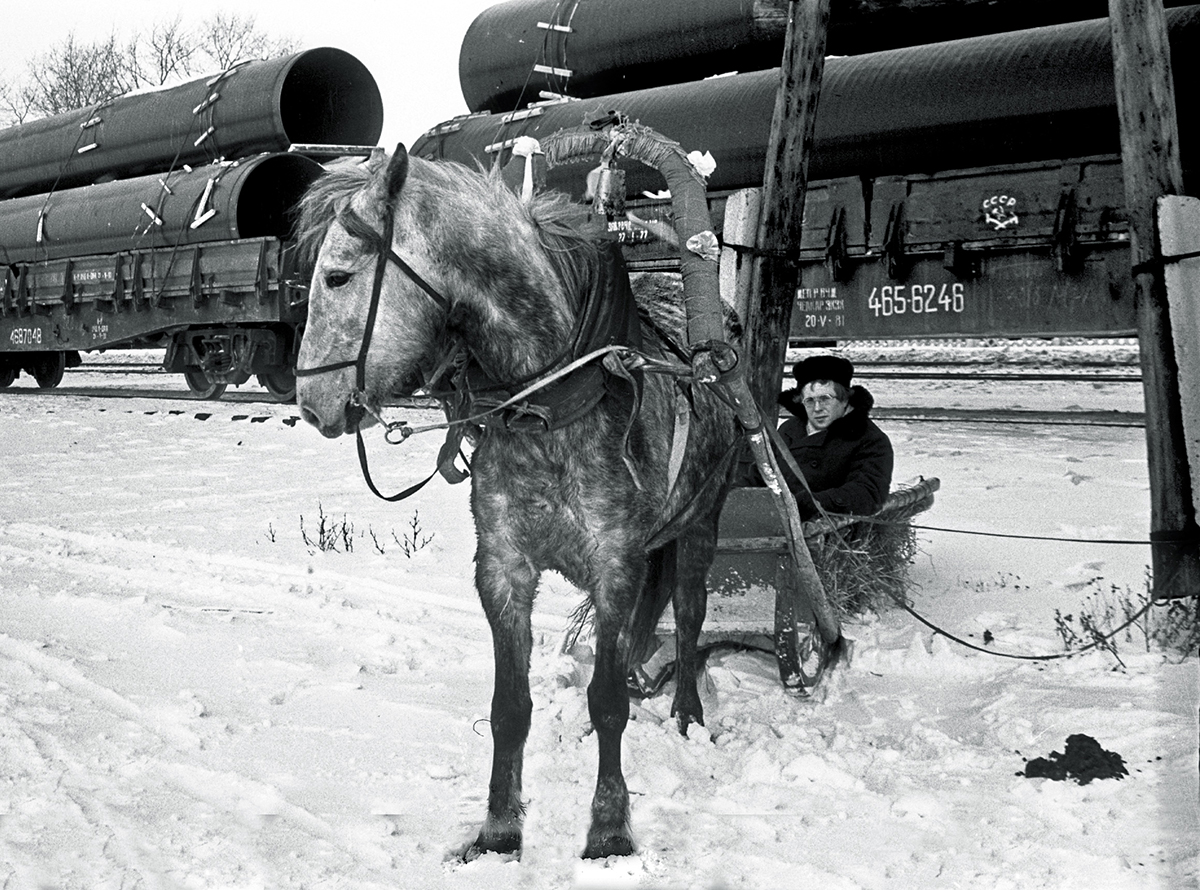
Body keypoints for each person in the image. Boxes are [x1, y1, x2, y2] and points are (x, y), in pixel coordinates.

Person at [771, 354, 894, 520]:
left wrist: (815, 502)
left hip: (824, 530)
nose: (817, 408)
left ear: (844, 400)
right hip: (773, 520)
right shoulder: (789, 429)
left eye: (825, 399)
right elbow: (762, 471)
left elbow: (868, 492)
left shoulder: (869, 439)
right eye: (809, 401)